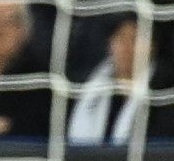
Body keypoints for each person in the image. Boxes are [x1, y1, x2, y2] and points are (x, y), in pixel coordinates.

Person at [67, 15, 172, 145]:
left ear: (153, 46)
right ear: (110, 44)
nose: (127, 48)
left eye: (135, 39)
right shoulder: (87, 87)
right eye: (121, 38)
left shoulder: (165, 92)